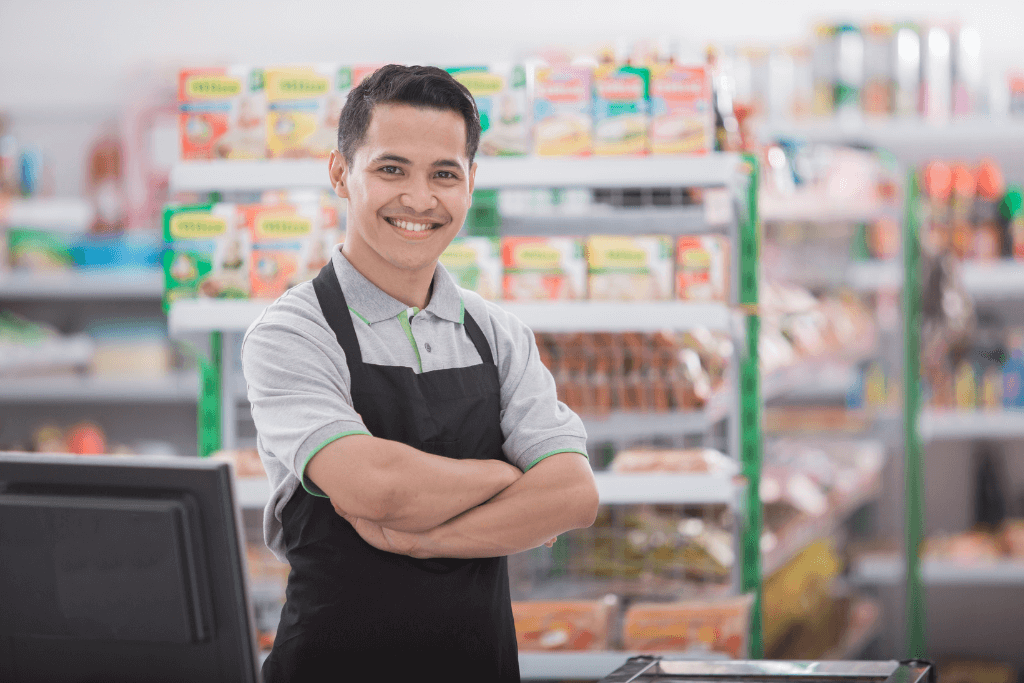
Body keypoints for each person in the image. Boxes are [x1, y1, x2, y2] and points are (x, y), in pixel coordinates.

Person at [242, 64, 599, 682]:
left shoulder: (497, 334)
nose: (419, 198)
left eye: (444, 175)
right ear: (340, 174)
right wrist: (506, 475)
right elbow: (375, 488)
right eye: (390, 169)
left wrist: (420, 538)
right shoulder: (293, 332)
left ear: (470, 185)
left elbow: (573, 495)